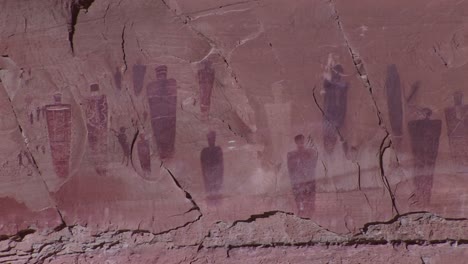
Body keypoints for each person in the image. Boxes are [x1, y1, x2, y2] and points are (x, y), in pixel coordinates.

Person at [287, 134, 318, 216]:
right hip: (298, 181)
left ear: (304, 141)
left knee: (310, 204)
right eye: (298, 141)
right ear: (295, 142)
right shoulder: (291, 155)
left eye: (302, 141)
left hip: (309, 180)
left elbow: (313, 166)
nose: (301, 143)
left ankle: (309, 213)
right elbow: (290, 170)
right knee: (300, 204)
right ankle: (301, 211)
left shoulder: (310, 152)